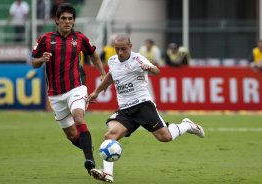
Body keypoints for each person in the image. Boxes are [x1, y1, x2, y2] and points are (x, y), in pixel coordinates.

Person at [87, 34, 205, 183]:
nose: (120, 52)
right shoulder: (112, 60)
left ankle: (187, 125)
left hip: (143, 105)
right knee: (110, 136)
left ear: (130, 47)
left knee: (165, 137)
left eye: (124, 49)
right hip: (125, 110)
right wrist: (97, 92)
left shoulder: (137, 59)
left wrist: (149, 68)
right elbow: (111, 75)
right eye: (118, 49)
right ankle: (107, 174)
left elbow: (156, 71)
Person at [31, 3, 106, 175]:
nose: (67, 22)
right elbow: (33, 62)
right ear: (56, 20)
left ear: (74, 21)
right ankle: (89, 147)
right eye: (63, 19)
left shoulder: (79, 38)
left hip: (76, 88)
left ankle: (90, 160)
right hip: (55, 95)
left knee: (78, 117)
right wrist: (41, 59)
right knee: (72, 136)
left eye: (70, 19)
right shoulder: (45, 39)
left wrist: (102, 72)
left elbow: (93, 53)